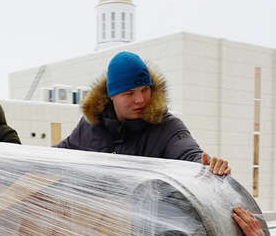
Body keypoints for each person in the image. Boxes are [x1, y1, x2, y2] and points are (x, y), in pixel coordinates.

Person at [55, 51, 230, 175]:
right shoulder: (90, 126)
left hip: (144, 226)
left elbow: (189, 154)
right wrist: (27, 156)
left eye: (145, 89)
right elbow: (57, 155)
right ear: (111, 96)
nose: (140, 99)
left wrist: (207, 164)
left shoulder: (167, 127)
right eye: (129, 93)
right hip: (95, 222)